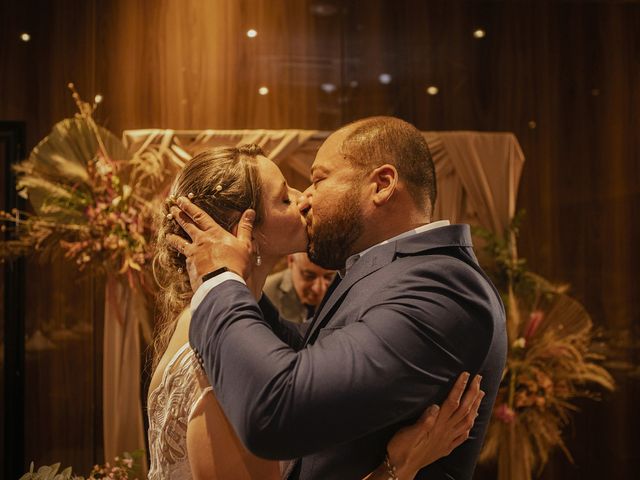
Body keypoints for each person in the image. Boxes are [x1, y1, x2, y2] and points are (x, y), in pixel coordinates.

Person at [168, 117, 507, 479]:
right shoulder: (391, 272)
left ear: (382, 184)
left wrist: (221, 278)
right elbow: (310, 351)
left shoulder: (445, 288)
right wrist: (241, 277)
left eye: (318, 179)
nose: (306, 198)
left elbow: (279, 410)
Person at [263, 253, 335, 323]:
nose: (319, 289)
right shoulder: (265, 293)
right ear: (291, 260)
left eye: (328, 277)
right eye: (309, 276)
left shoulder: (341, 284)